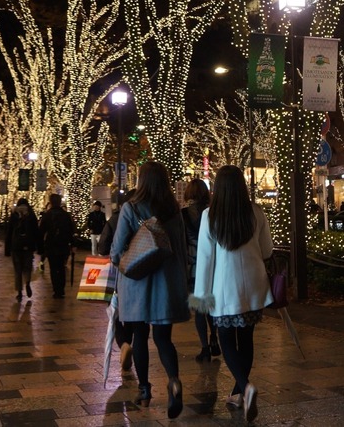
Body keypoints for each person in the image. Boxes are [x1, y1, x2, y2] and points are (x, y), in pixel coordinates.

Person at [189, 165, 274, 423]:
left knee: (226, 339)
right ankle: (239, 392)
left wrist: (201, 297)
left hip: (224, 289)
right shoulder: (256, 213)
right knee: (246, 338)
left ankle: (245, 387)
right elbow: (267, 250)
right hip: (254, 285)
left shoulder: (209, 216)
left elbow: (205, 259)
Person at [110, 161, 189, 419]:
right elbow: (181, 249)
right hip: (166, 286)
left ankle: (144, 391)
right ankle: (174, 380)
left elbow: (116, 252)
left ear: (141, 181)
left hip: (137, 286)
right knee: (164, 338)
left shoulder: (131, 208)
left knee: (140, 337)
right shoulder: (175, 211)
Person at [182, 178, 221, 362]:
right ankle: (214, 337)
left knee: (199, 307)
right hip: (213, 263)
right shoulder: (213, 213)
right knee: (210, 303)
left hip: (192, 266)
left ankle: (204, 346)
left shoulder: (182, 215)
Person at [98, 189, 136, 374]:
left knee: (114, 313)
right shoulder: (146, 218)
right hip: (138, 274)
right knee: (132, 314)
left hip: (116, 272)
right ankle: (128, 342)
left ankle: (123, 345)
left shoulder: (115, 219)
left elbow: (103, 246)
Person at [38, 193, 78, 298]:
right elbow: (72, 231)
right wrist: (73, 244)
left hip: (51, 245)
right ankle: (61, 289)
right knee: (61, 267)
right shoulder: (66, 215)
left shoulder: (47, 215)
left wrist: (40, 247)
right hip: (63, 245)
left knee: (53, 268)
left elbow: (41, 232)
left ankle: (56, 289)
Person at [5, 198, 39, 301]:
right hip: (28, 246)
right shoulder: (31, 215)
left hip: (16, 246)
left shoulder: (14, 215)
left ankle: (19, 292)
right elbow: (36, 231)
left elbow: (9, 232)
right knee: (27, 267)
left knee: (17, 269)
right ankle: (27, 282)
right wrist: (37, 246)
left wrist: (7, 249)